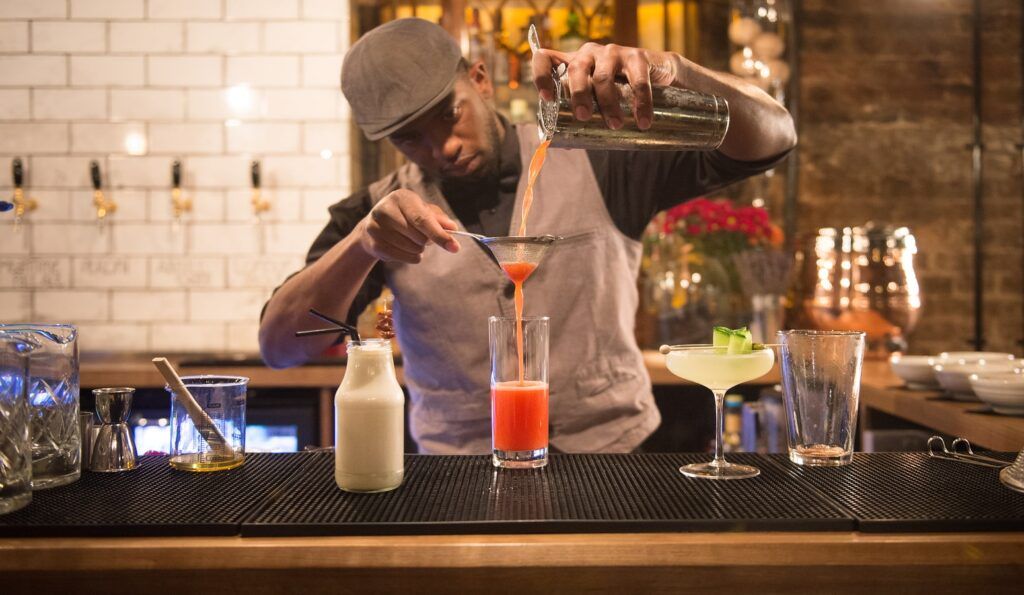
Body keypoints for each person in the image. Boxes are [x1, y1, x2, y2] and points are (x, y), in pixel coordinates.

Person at [259, 18, 796, 454]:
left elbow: (774, 137)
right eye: (410, 139)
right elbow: (281, 348)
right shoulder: (379, 214)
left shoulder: (605, 160)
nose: (441, 147)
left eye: (450, 115)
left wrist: (675, 71)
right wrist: (360, 246)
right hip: (458, 477)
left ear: (480, 78)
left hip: (615, 460)